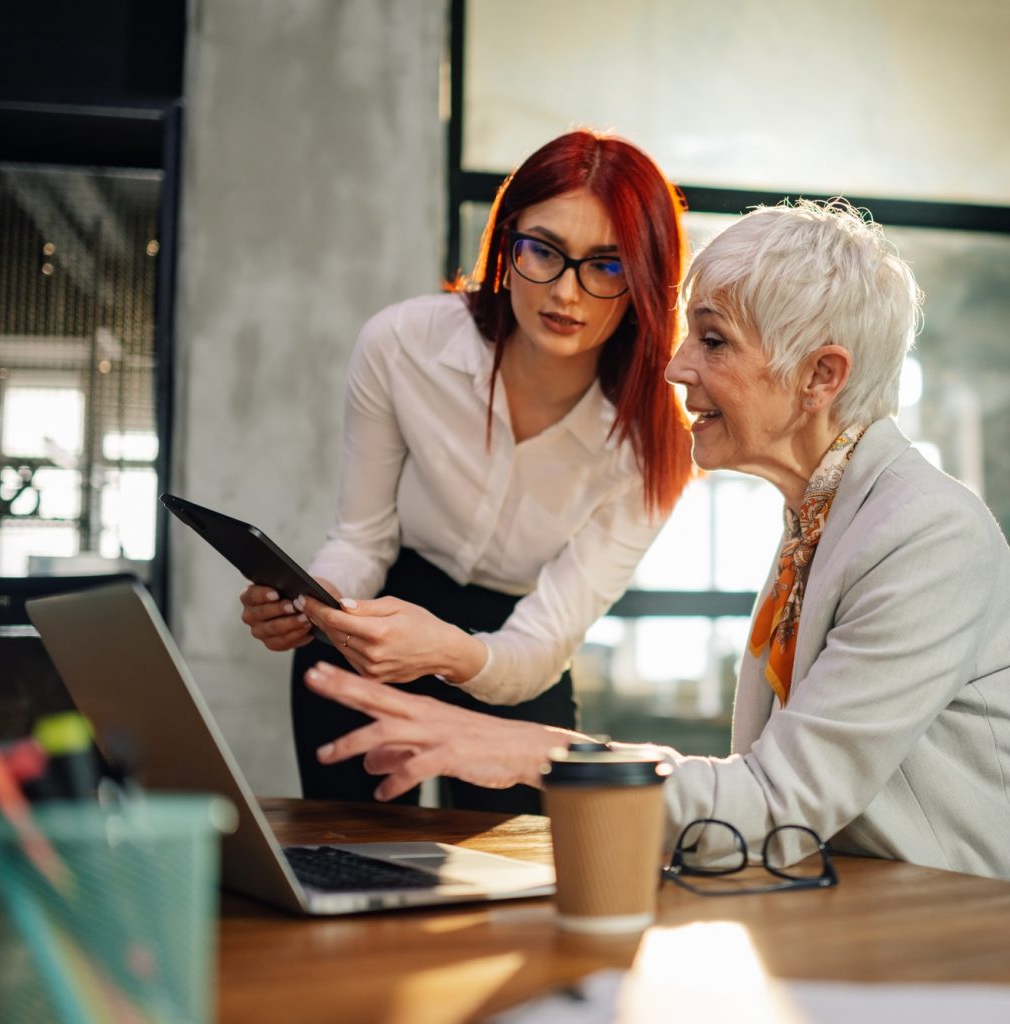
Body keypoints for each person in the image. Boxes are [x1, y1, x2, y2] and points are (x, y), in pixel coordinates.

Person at [301, 199, 1010, 895]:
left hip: (1002, 939)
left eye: (712, 342)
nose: (677, 366)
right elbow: (769, 806)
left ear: (822, 375)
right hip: (881, 916)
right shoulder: (818, 521)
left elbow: (775, 807)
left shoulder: (925, 534)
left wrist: (528, 751)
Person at [238, 131, 694, 813]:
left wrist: (447, 651)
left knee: (510, 891)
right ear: (506, 241)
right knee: (349, 861)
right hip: (382, 612)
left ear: (644, 282)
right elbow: (361, 539)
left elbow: (541, 644)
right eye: (543, 251)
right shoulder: (402, 344)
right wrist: (314, 602)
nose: (567, 293)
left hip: (519, 646)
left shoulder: (655, 445)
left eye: (606, 266)